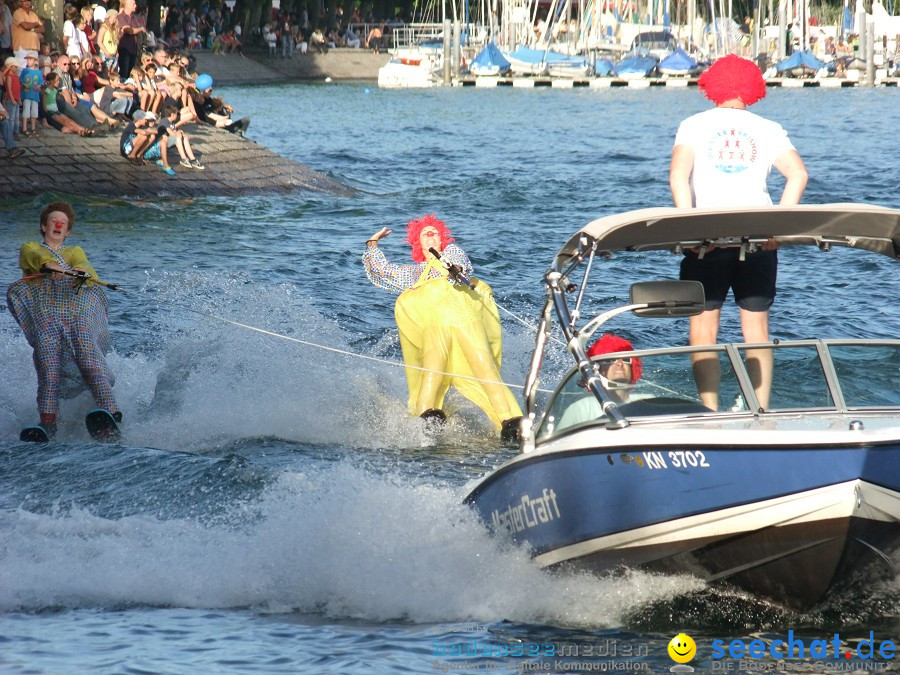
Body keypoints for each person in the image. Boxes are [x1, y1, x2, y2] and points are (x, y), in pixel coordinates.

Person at [669, 55, 808, 410]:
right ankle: (760, 408)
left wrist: (687, 229)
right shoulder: (768, 127)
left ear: (711, 85)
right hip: (759, 235)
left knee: (703, 331)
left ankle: (709, 410)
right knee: (757, 331)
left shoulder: (693, 124)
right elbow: (798, 175)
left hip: (706, 237)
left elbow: (678, 177)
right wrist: (779, 226)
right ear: (752, 87)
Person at [362, 214, 523, 440]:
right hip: (434, 327)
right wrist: (372, 244)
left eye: (435, 232)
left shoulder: (452, 253)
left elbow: (461, 266)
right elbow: (383, 271)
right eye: (425, 233)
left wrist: (455, 269)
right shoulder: (414, 273)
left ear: (441, 240)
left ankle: (510, 420)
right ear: (418, 243)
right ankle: (427, 417)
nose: (431, 235)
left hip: (465, 321)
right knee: (432, 371)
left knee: (484, 368)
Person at [6, 201, 122, 439]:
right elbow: (35, 256)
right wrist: (49, 265)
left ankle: (111, 414)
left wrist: (79, 272)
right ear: (43, 226)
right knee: (49, 372)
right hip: (46, 321)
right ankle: (48, 424)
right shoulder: (29, 248)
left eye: (63, 223)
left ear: (67, 231)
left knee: (89, 362)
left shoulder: (74, 252)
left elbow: (83, 265)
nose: (58, 225)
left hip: (77, 320)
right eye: (52, 221)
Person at [557, 334, 643, 429]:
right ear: (597, 369)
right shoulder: (581, 409)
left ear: (633, 367)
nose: (619, 363)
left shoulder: (646, 402)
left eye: (626, 359)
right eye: (610, 360)